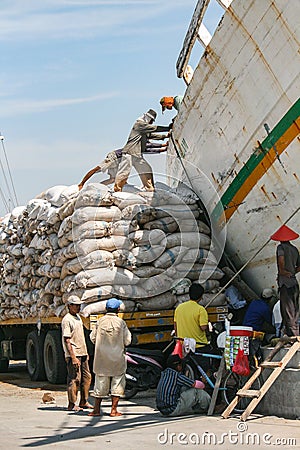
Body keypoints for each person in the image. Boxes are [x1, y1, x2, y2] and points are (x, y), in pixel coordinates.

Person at [88, 298, 132, 417]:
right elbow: (128, 340)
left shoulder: (99, 321)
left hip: (101, 359)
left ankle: (96, 409)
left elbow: (92, 338)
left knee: (100, 385)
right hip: (117, 358)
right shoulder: (121, 322)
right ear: (118, 309)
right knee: (117, 385)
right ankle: (113, 410)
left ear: (106, 309)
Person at [113, 109, 171, 192]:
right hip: (129, 153)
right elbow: (154, 128)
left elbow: (150, 135)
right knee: (124, 173)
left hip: (137, 155)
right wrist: (168, 128)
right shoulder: (140, 124)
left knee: (147, 169)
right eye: (151, 120)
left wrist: (164, 137)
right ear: (147, 118)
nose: (151, 122)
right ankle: (117, 190)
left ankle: (150, 189)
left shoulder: (143, 128)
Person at [78, 137, 169, 190]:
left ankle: (97, 188)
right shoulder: (136, 146)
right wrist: (82, 183)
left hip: (120, 162)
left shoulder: (139, 148)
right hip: (114, 157)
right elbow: (150, 148)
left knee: (113, 179)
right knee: (96, 169)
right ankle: (87, 186)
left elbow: (149, 148)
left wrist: (163, 148)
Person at [61, 295, 92, 412]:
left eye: (79, 305)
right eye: (76, 305)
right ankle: (72, 403)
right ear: (69, 306)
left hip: (82, 352)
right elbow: (67, 340)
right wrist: (73, 357)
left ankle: (84, 401)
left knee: (87, 377)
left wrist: (86, 353)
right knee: (74, 379)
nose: (78, 307)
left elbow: (81, 336)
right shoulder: (67, 320)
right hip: (74, 354)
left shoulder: (78, 318)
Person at [271, 224, 300, 336]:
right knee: (295, 310)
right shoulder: (294, 249)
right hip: (294, 282)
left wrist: (282, 272)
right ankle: (293, 332)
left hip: (285, 283)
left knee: (288, 311)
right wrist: (292, 272)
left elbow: (281, 261)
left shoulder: (281, 248)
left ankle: (293, 334)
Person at [174, 283, 208, 348]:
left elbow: (175, 326)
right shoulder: (201, 309)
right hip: (198, 345)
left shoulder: (179, 308)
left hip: (183, 344)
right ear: (201, 296)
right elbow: (203, 327)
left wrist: (177, 341)